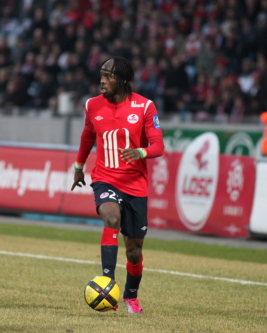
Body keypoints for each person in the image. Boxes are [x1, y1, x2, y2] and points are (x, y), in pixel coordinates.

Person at [71, 56, 164, 314]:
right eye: (100, 75)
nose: (101, 81)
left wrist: (141, 153)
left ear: (122, 79)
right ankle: (107, 283)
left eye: (107, 76)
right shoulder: (92, 105)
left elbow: (158, 146)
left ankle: (130, 296)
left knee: (134, 251)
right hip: (105, 178)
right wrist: (79, 168)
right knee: (111, 217)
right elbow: (87, 136)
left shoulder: (145, 107)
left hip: (135, 185)